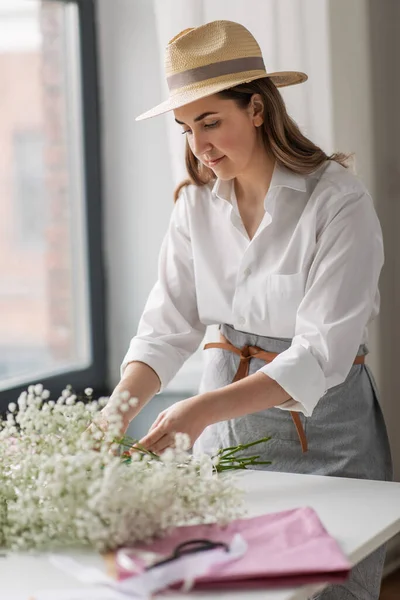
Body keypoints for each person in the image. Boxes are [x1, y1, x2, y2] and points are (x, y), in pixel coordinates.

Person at [101, 20, 393, 600]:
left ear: (257, 109)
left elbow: (320, 356)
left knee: (325, 589)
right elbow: (165, 331)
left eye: (211, 122)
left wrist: (197, 410)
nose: (199, 147)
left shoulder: (337, 202)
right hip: (221, 433)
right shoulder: (194, 208)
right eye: (187, 128)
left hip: (326, 436)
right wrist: (108, 420)